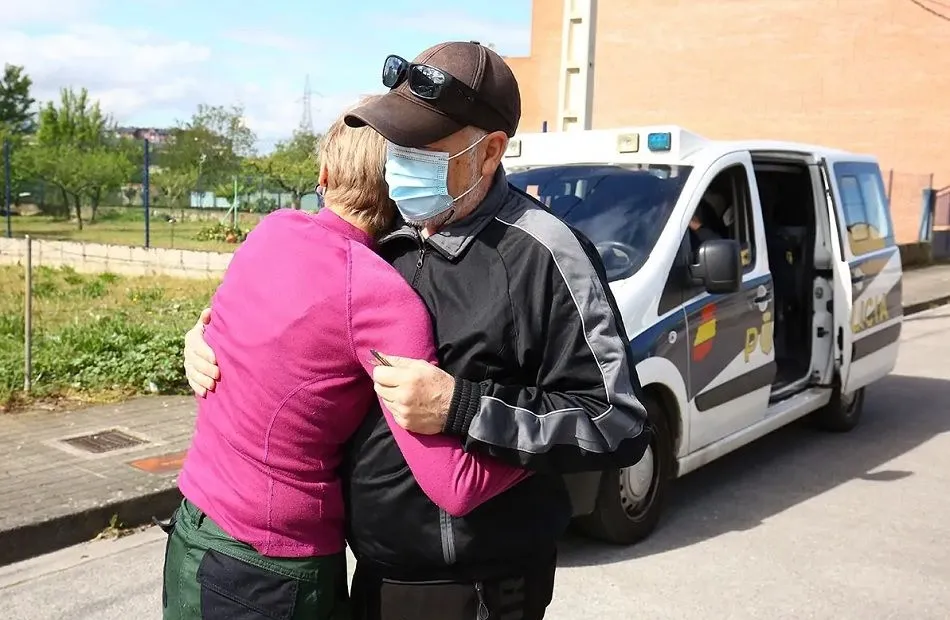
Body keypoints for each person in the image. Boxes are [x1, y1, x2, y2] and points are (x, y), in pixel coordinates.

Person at [184, 41, 652, 620]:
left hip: (478, 589)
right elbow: (292, 317)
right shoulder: (392, 238)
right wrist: (204, 336)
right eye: (398, 143)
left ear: (490, 152)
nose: (403, 160)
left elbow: (618, 421)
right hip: (372, 575)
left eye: (424, 147)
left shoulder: (547, 255)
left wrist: (465, 408)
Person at [163, 98, 530, 620]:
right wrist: (553, 449)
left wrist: (194, 338)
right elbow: (453, 485)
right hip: (270, 569)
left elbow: (233, 335)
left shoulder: (272, 231)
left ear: (325, 173)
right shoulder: (381, 295)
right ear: (403, 188)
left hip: (195, 529)